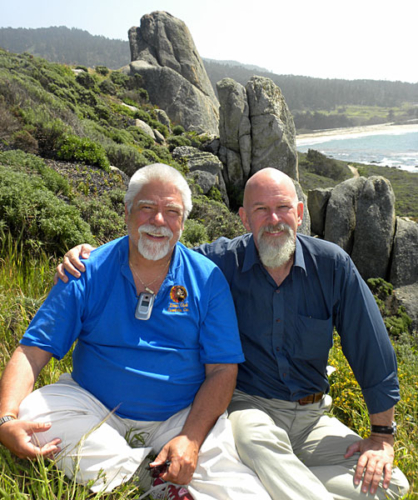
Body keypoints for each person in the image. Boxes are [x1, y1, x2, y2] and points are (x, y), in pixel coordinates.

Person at [55, 167, 410, 500]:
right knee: (257, 443)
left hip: (313, 416)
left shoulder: (332, 265)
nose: (274, 220)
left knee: (392, 482)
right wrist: (89, 256)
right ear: (244, 217)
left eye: (283, 208)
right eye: (261, 209)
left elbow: (371, 350)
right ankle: (273, 476)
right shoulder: (218, 265)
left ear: (299, 212)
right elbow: (159, 248)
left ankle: (272, 482)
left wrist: (381, 436)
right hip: (248, 409)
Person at [0, 164, 271, 500]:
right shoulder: (86, 269)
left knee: (245, 493)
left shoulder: (207, 279)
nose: (159, 221)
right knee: (34, 414)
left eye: (171, 212)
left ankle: (144, 473)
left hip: (181, 414)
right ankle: (154, 479)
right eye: (147, 208)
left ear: (183, 222)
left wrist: (190, 438)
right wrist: (5, 420)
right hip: (94, 404)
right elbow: (32, 351)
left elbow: (221, 370)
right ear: (127, 212)